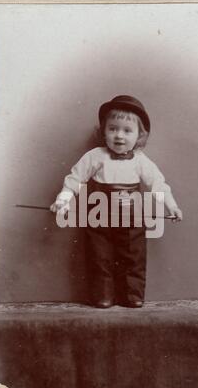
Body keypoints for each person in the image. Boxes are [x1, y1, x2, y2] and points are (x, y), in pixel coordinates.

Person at [51, 95, 182, 309]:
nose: (119, 135)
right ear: (104, 131)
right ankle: (103, 295)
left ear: (140, 135)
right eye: (113, 129)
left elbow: (158, 183)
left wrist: (172, 206)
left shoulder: (141, 160)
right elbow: (74, 179)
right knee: (99, 256)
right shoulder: (94, 156)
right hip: (98, 215)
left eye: (127, 130)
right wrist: (63, 200)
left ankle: (132, 295)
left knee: (133, 256)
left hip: (131, 217)